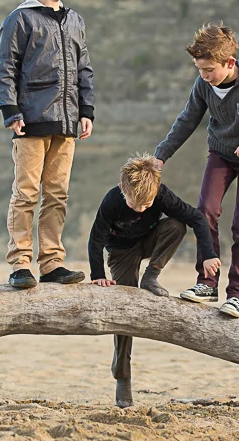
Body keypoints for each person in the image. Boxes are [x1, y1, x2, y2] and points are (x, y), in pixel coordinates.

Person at [154, 23, 239, 318]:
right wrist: (161, 156)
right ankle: (207, 283)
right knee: (204, 211)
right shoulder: (203, 85)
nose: (205, 77)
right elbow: (186, 121)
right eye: (200, 70)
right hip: (220, 153)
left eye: (209, 70)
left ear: (229, 63)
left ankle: (237, 295)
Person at [0, 0, 95, 289]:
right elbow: (5, 67)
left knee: (57, 195)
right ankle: (20, 264)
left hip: (67, 123)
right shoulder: (20, 19)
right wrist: (10, 110)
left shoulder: (75, 20)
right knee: (26, 194)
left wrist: (86, 109)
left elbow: (84, 69)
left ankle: (52, 263)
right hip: (31, 122)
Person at [89, 154, 220, 408]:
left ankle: (151, 276)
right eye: (134, 205)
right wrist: (98, 276)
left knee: (177, 225)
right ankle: (122, 376)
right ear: (122, 188)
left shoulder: (161, 194)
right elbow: (95, 240)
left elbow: (196, 219)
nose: (141, 209)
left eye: (146, 205)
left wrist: (208, 254)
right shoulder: (112, 201)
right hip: (121, 252)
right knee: (125, 313)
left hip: (148, 242)